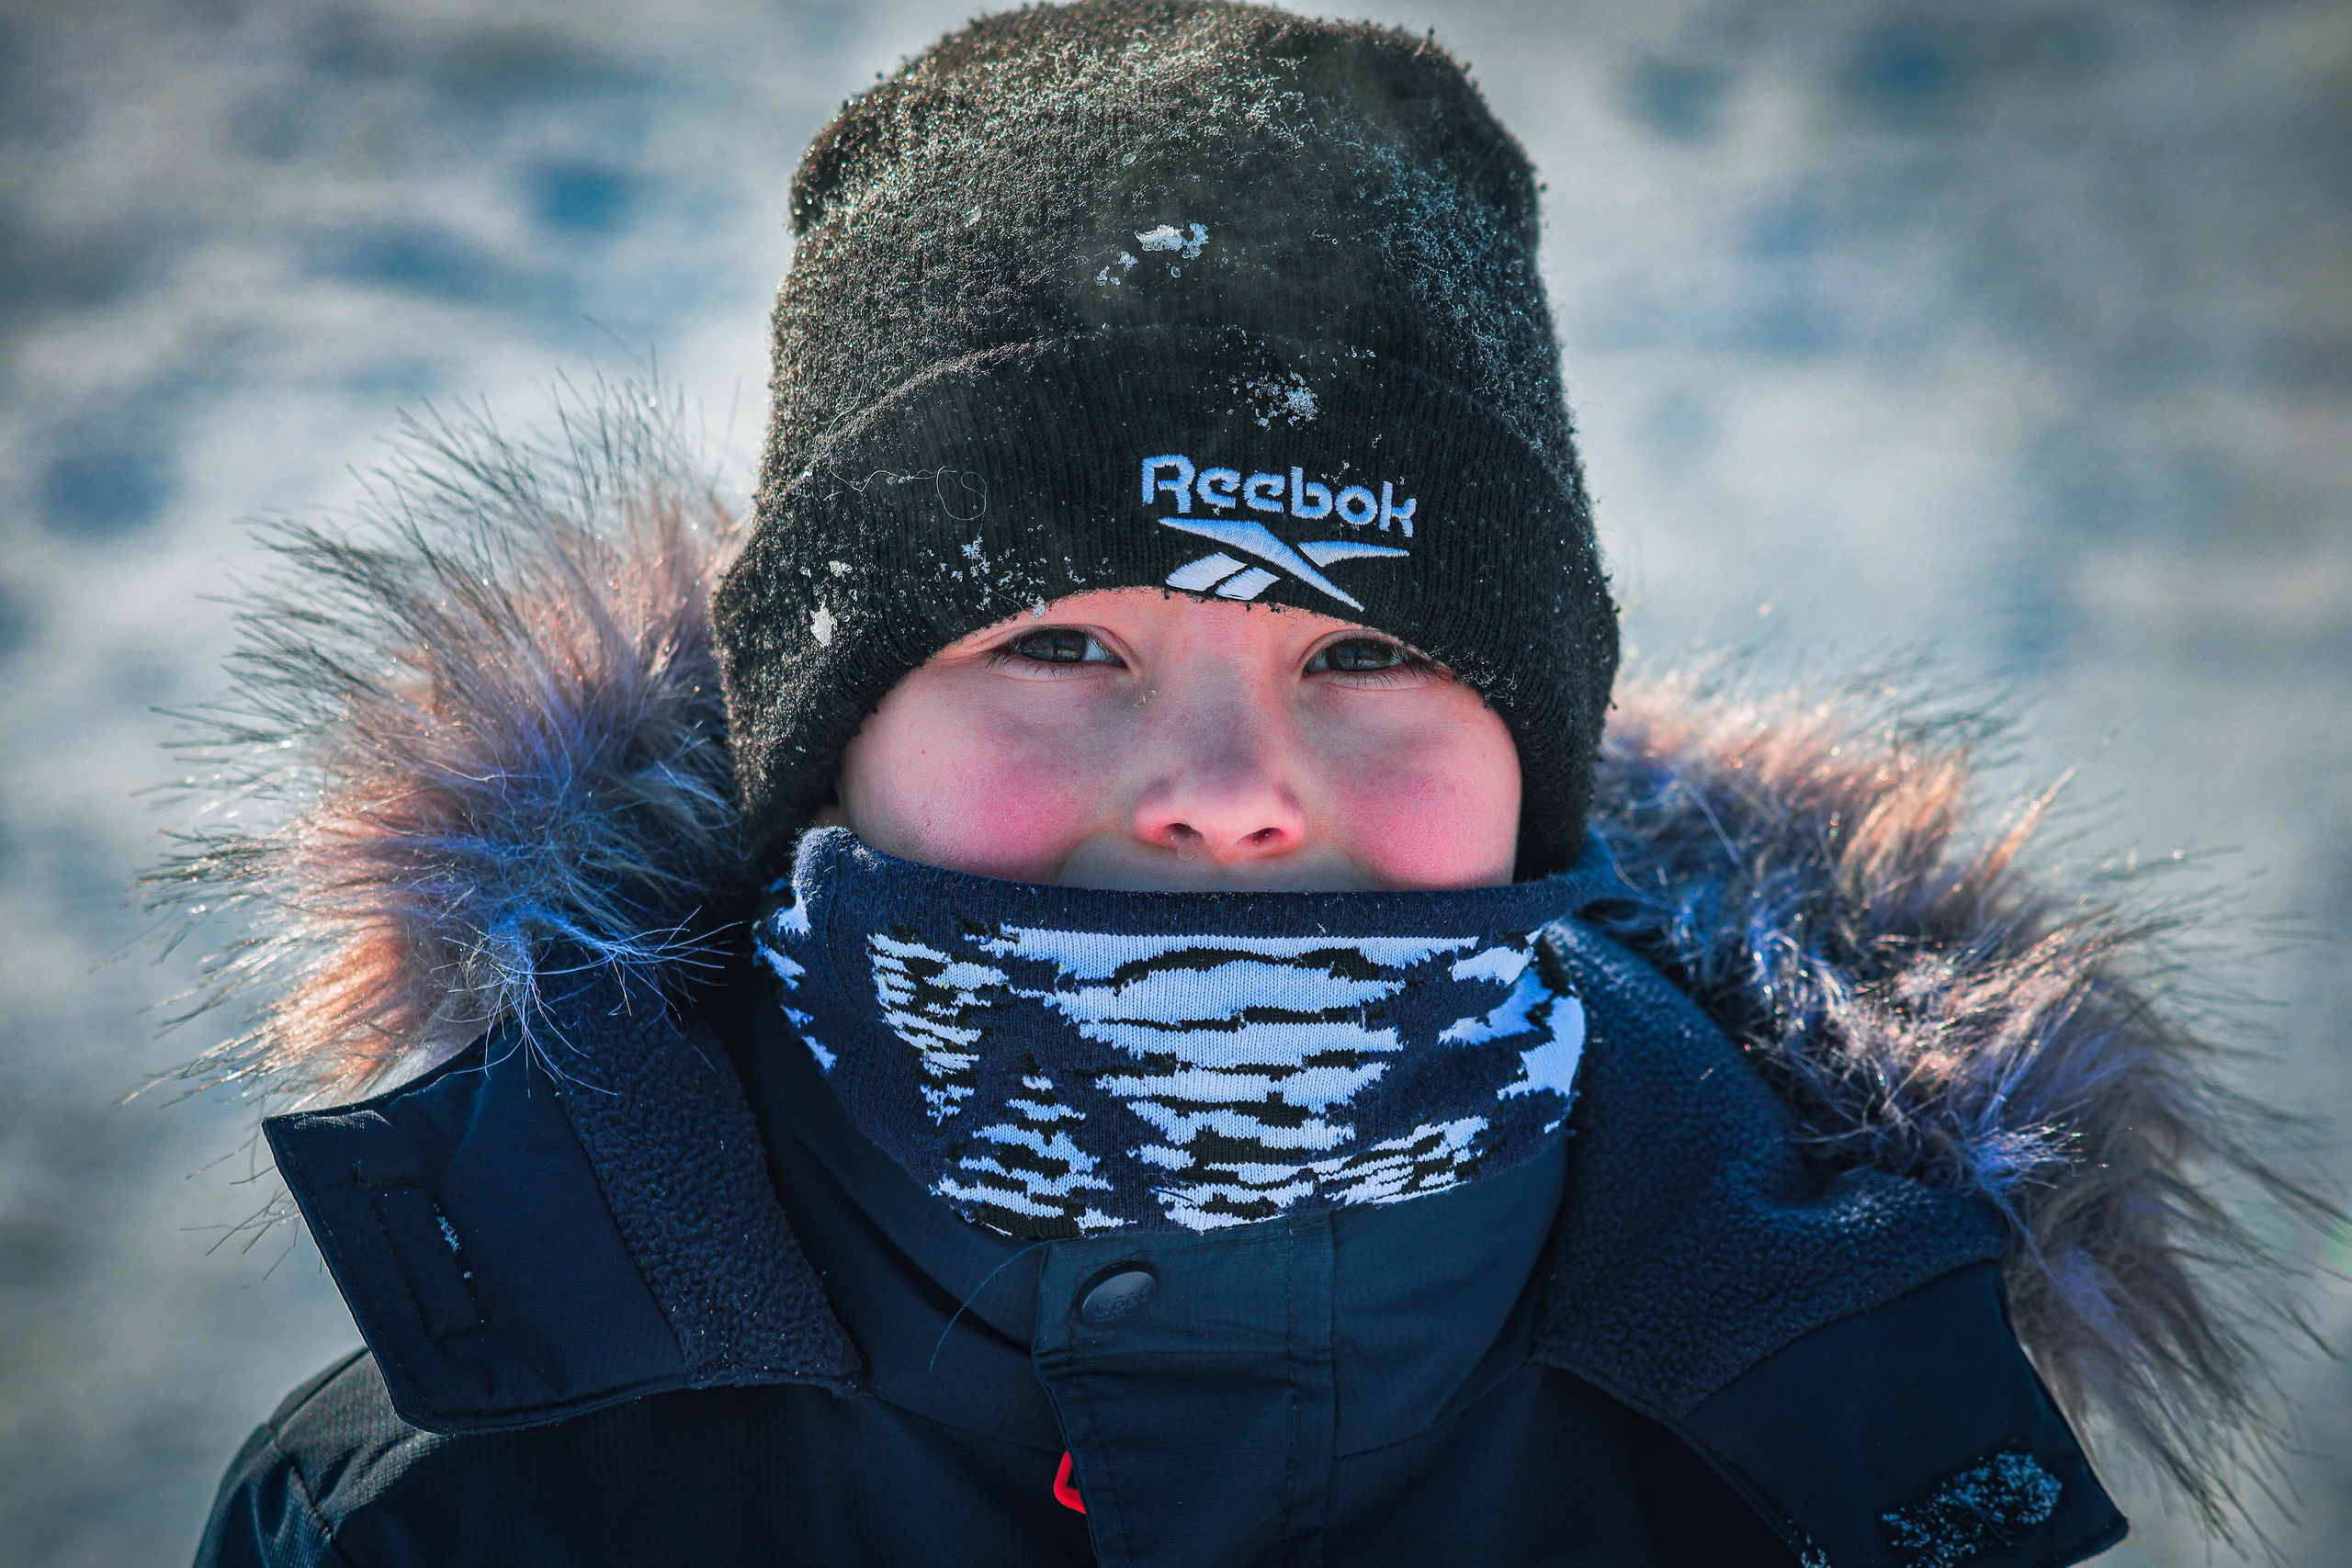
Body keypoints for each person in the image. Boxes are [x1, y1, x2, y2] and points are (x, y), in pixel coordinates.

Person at [175, 4, 2287, 1563]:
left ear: (1529, 765)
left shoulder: (1846, 1442)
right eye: (1054, 643)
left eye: (1366, 650)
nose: (1219, 788)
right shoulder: (432, 1503)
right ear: (822, 743)